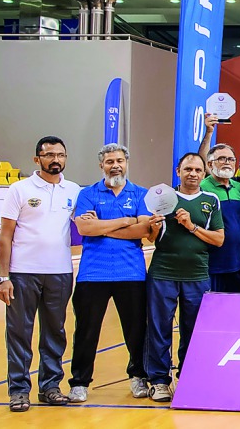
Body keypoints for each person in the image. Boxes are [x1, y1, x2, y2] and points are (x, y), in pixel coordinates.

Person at [0, 136, 82, 412]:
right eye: (49, 155)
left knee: (55, 333)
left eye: (60, 154)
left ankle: (50, 387)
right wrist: (3, 276)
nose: (55, 159)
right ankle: (19, 390)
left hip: (59, 273)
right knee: (20, 332)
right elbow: (5, 237)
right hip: (22, 274)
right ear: (37, 159)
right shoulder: (19, 189)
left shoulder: (73, 190)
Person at [69, 144, 156, 403]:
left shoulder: (141, 194)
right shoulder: (87, 193)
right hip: (93, 274)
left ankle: (138, 376)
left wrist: (101, 226)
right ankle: (80, 382)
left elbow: (143, 231)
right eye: (109, 161)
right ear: (101, 166)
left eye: (119, 160)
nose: (114, 165)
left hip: (131, 273)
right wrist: (126, 220)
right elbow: (83, 229)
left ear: (127, 162)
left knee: (136, 329)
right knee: (86, 330)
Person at [142, 153, 225, 402]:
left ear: (205, 173)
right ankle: (158, 380)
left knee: (193, 329)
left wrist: (191, 226)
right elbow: (150, 239)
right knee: (159, 328)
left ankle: (188, 376)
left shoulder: (211, 200)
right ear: (178, 171)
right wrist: (154, 228)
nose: (193, 174)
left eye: (198, 170)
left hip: (198, 275)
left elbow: (219, 239)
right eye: (188, 169)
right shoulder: (164, 197)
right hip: (163, 273)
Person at [203, 144, 240, 294]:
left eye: (231, 159)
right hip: (211, 263)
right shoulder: (202, 187)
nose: (227, 162)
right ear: (210, 164)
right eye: (222, 159)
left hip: (237, 262)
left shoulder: (239, 188)